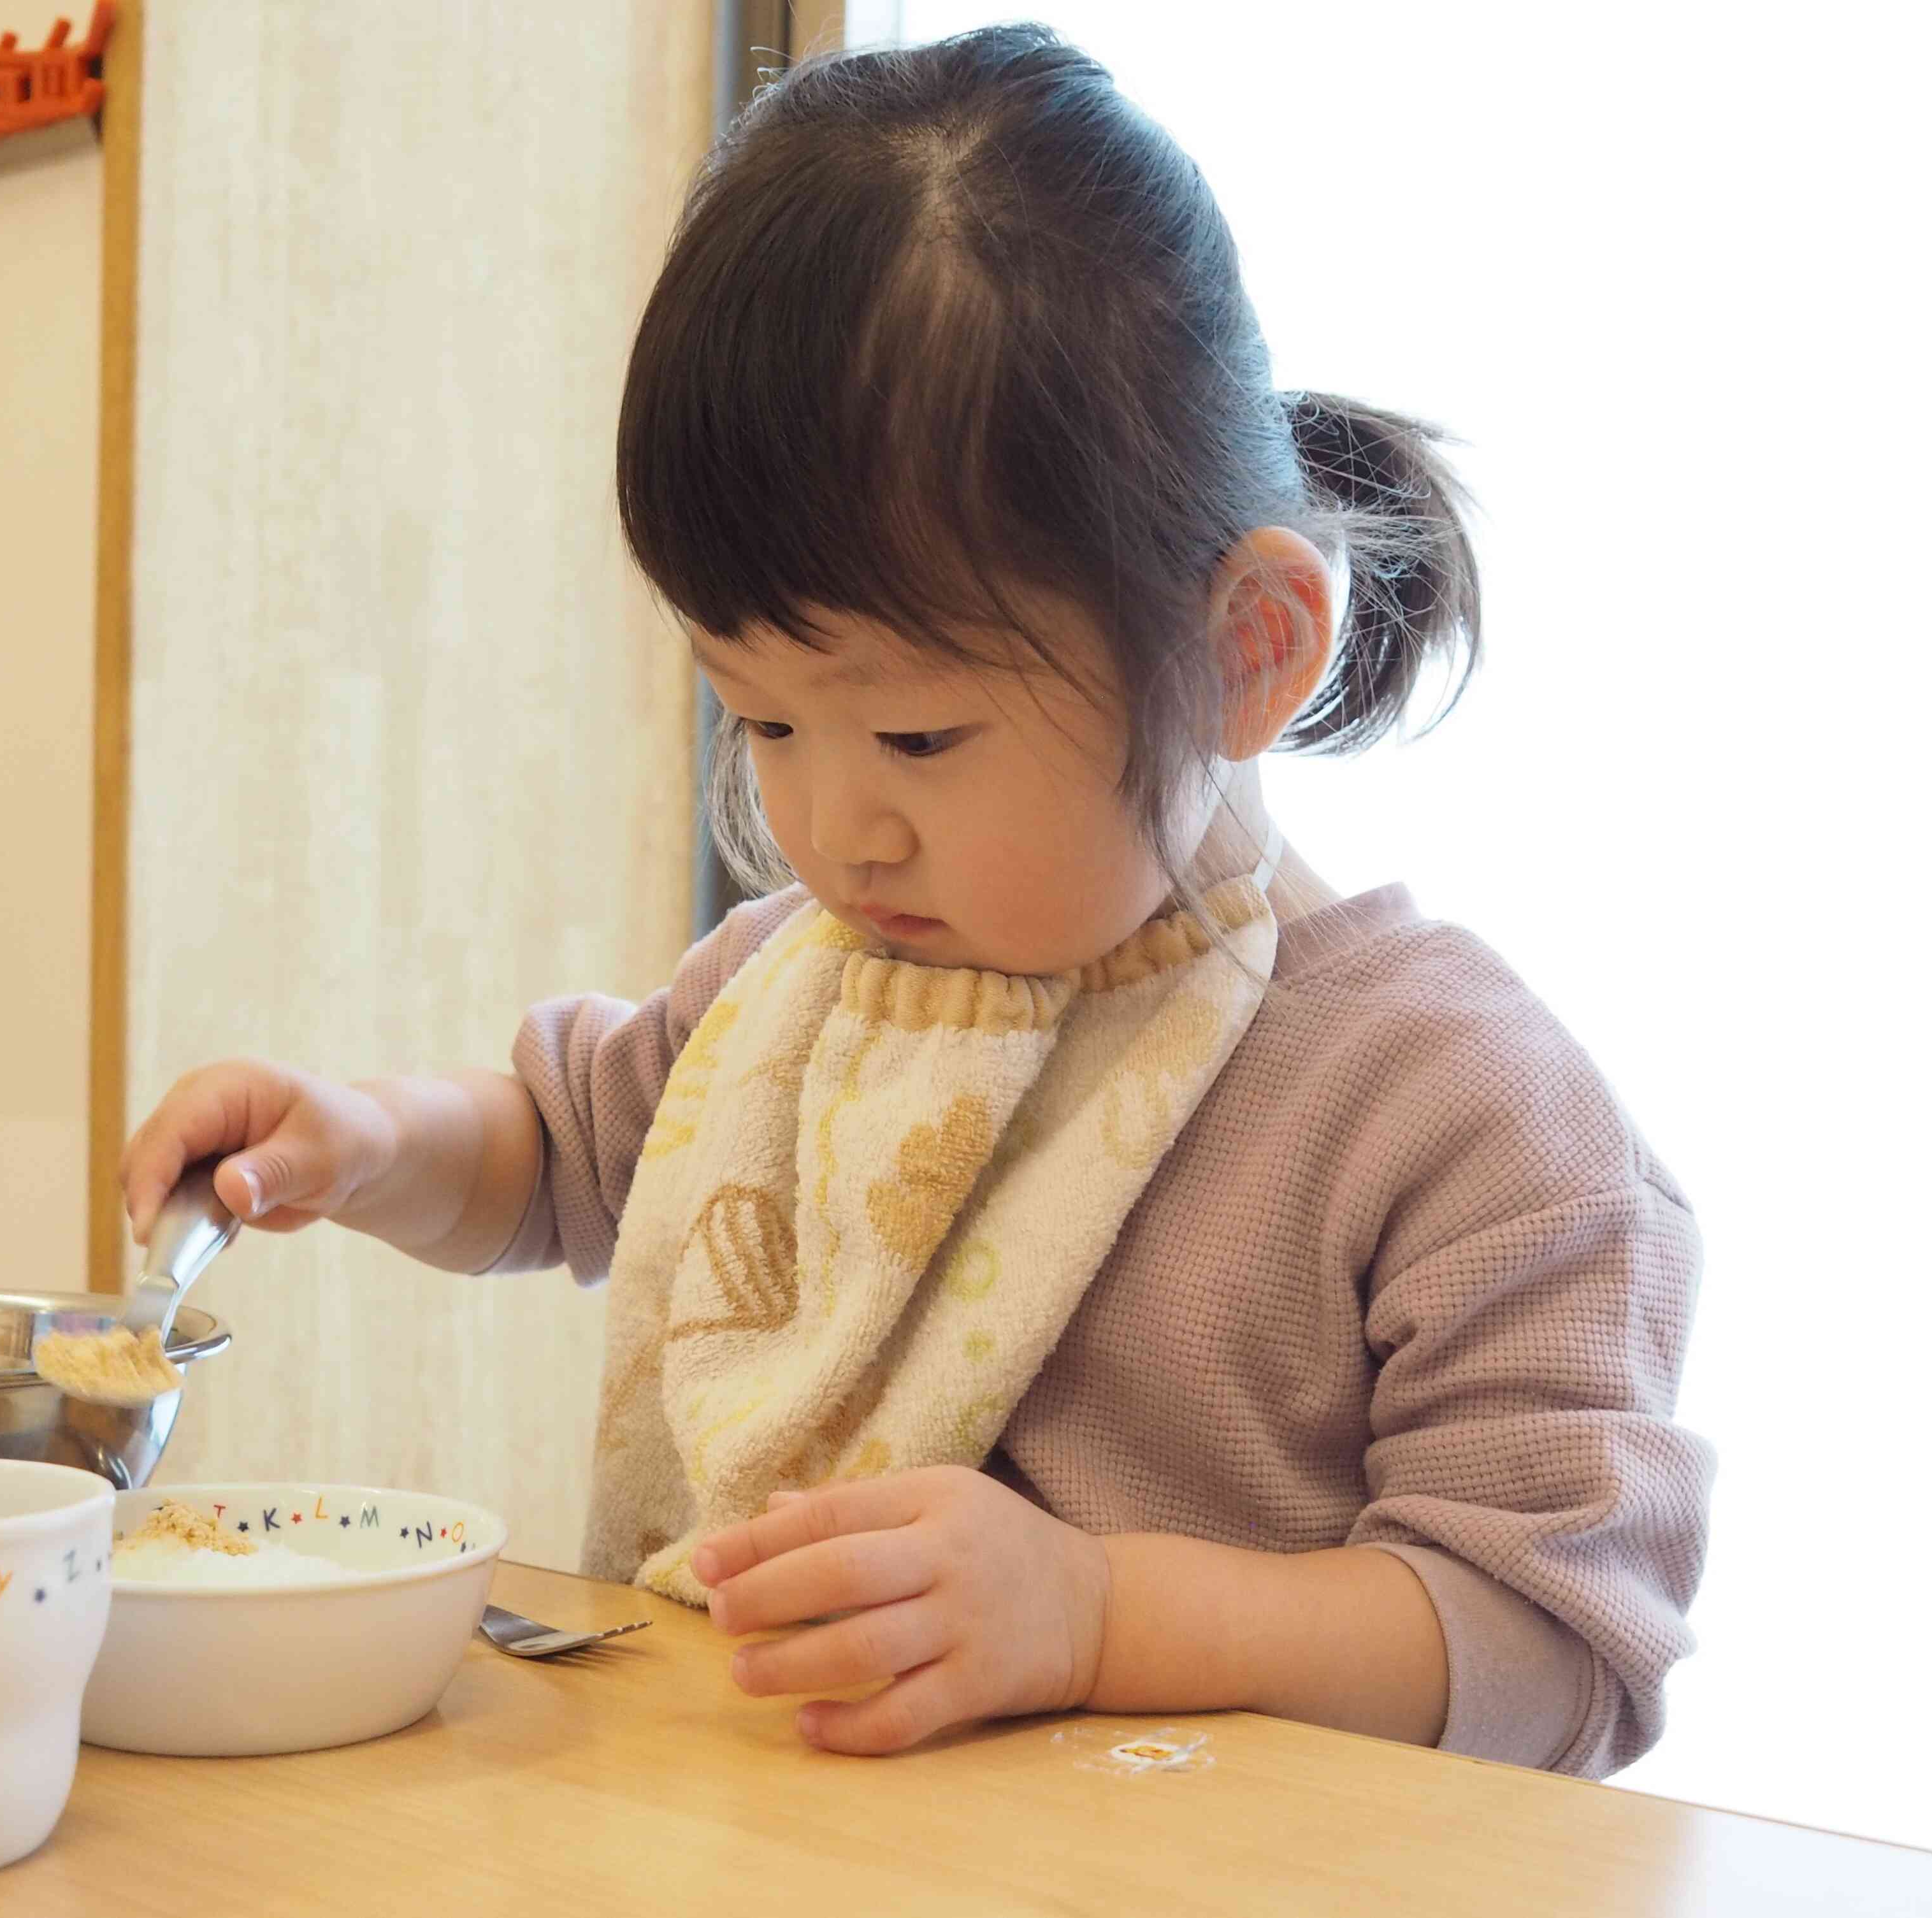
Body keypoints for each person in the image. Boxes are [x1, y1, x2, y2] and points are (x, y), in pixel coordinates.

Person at [120, 24, 1712, 1777]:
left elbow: (1553, 1645)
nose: (827, 828)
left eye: (914, 731)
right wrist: (360, 1141)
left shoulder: (1454, 1108)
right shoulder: (804, 988)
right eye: (763, 721)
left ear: (1241, 647)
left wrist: (1096, 1614)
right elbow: (570, 1155)